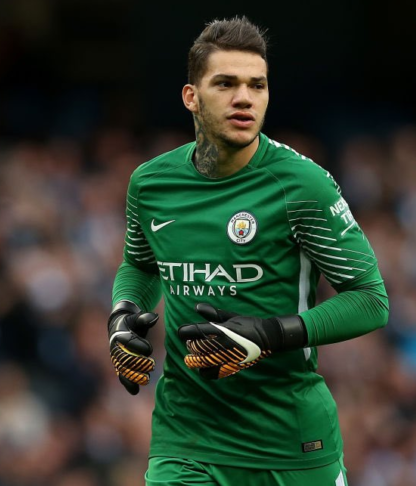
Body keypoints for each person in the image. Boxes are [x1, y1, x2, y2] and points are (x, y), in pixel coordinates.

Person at [107, 16, 389, 486]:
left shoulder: (301, 186)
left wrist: (268, 333)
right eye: (226, 84)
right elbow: (140, 264)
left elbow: (370, 300)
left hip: (289, 444)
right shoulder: (151, 183)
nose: (244, 97)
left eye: (257, 85)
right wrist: (123, 313)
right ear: (191, 97)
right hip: (186, 441)